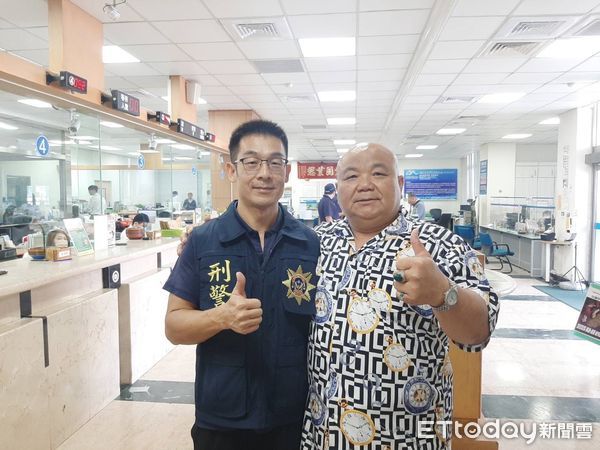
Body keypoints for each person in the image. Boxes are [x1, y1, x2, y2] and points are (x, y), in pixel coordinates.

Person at [300, 144, 499, 449]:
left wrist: (443, 293)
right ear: (338, 188)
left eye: (378, 173)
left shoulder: (440, 244)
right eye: (352, 176)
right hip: (322, 435)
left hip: (406, 438)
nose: (365, 184)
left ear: (400, 183)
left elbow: (478, 333)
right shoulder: (316, 243)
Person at [163, 119, 320, 450]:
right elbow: (174, 327)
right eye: (251, 162)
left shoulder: (309, 244)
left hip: (293, 417)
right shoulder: (204, 242)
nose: (264, 173)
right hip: (222, 420)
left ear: (286, 171)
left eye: (274, 162)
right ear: (232, 170)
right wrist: (220, 317)